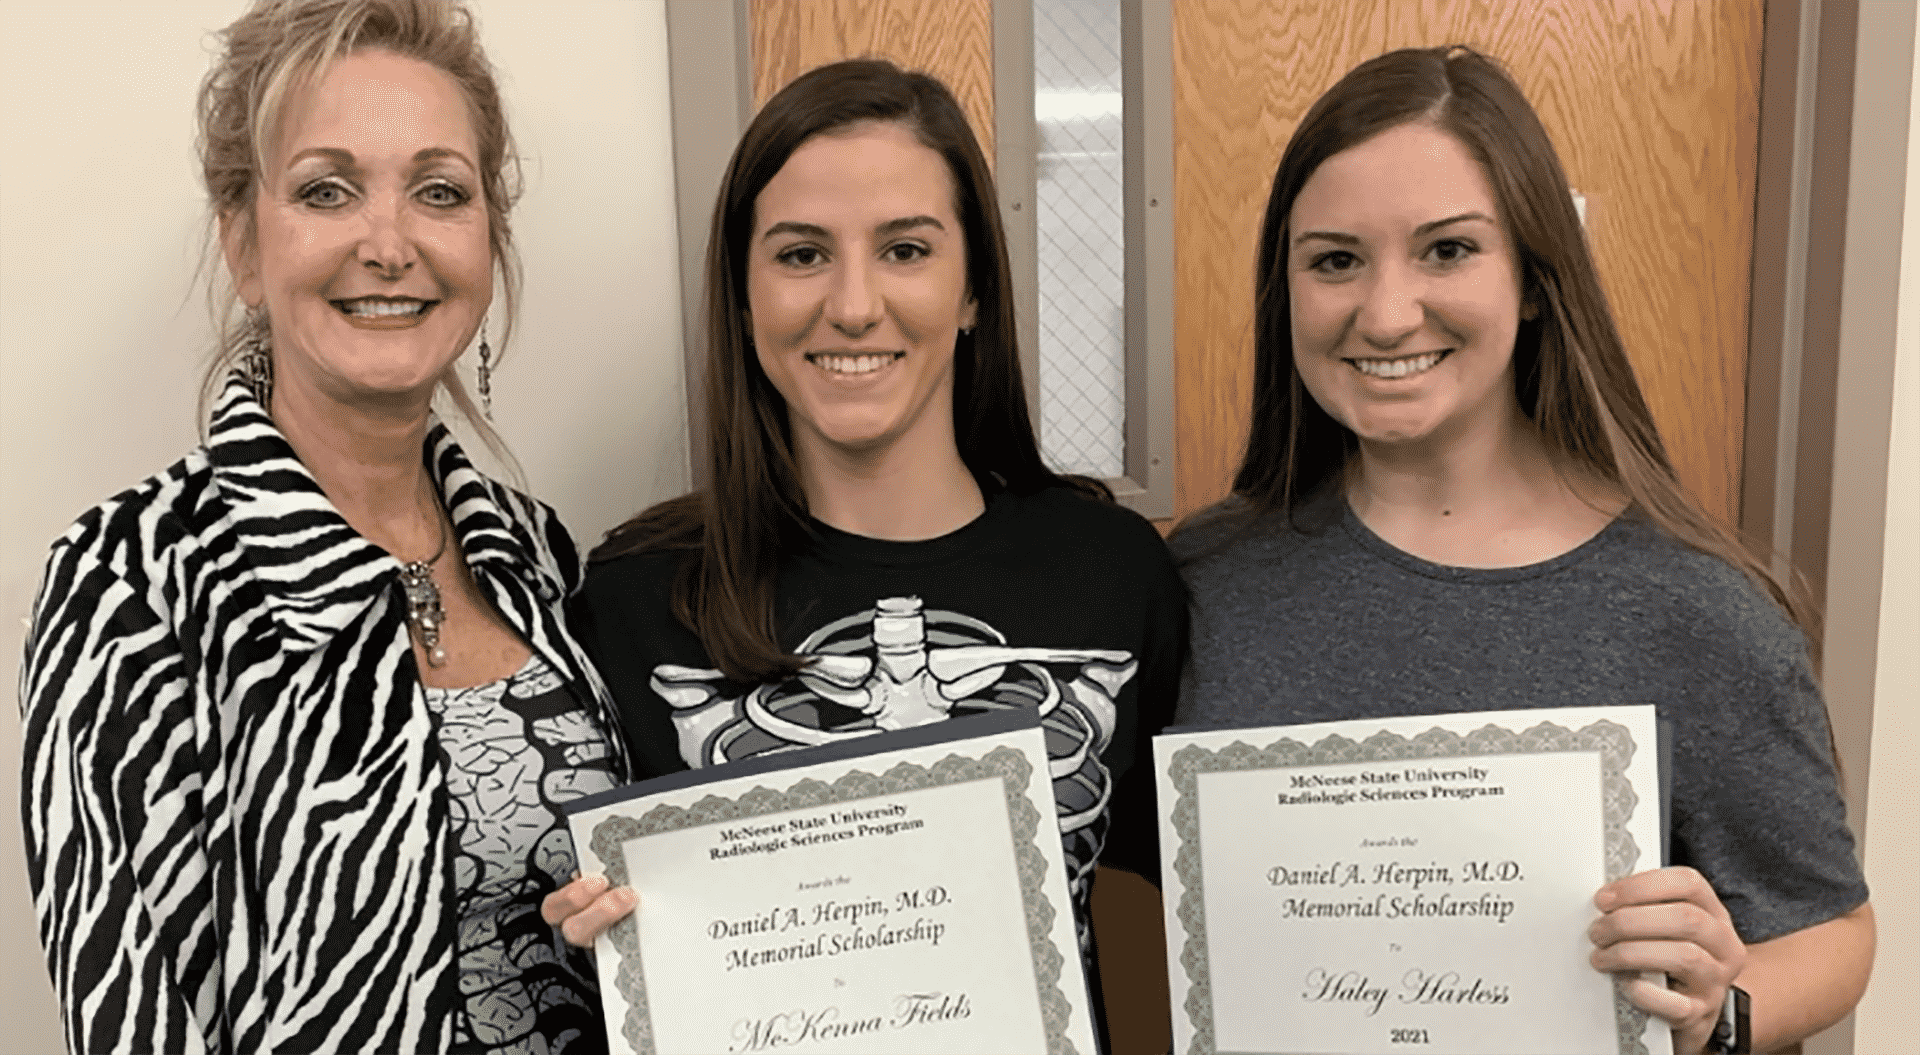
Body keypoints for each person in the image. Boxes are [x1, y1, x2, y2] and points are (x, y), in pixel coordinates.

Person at [1171, 45, 1872, 1055]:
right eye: (1335, 259)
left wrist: (1723, 1006)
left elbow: (1833, 926)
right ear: (1287, 291)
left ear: (1537, 280)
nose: (1386, 311)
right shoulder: (1207, 580)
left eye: (1448, 250)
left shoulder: (1696, 608)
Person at [18, 1, 626, 1051]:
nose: (387, 244)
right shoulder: (131, 581)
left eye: (439, 191)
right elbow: (133, 1014)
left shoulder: (538, 550)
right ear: (244, 245)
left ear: (488, 241)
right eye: (325, 190)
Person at [540, 58, 1185, 1048]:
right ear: (743, 296)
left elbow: (1196, 896)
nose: (851, 305)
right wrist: (596, 950)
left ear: (974, 289)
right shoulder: (634, 597)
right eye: (801, 254)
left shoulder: (1110, 571)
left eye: (906, 249)